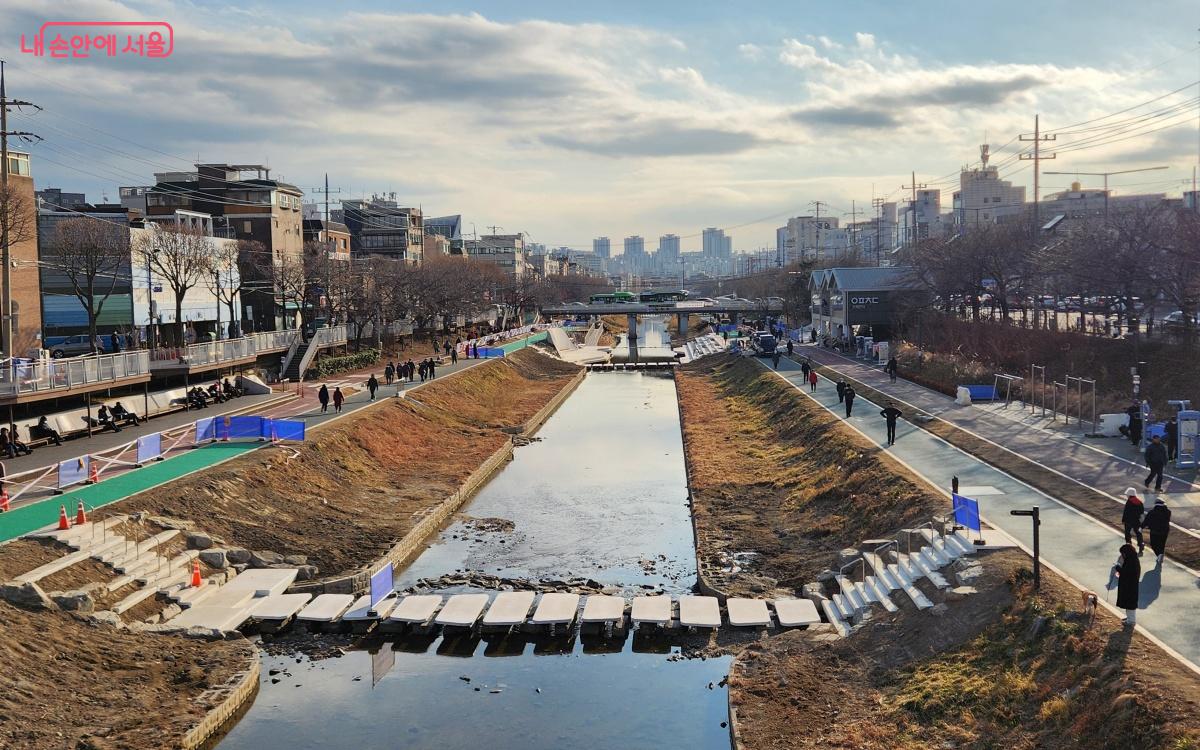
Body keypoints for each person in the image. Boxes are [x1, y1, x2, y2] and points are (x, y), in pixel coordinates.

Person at [1112, 543, 1141, 625]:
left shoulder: (1131, 561)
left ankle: (1131, 620)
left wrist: (1118, 568)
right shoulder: (1132, 559)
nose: (1122, 555)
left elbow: (1127, 573)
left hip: (1130, 586)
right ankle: (1129, 618)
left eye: (1123, 553)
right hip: (1129, 585)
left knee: (1130, 604)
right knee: (1128, 603)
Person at [1142, 497, 1172, 565]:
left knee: (1153, 545)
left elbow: (1146, 521)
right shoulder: (1168, 512)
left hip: (1155, 531)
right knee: (1162, 545)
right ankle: (1160, 555)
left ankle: (1159, 555)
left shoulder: (1152, 512)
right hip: (1165, 531)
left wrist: (1141, 527)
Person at [1121, 487, 1145, 554]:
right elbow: (1142, 512)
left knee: (1127, 533)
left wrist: (1123, 520)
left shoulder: (1129, 502)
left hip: (1128, 521)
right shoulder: (1140, 502)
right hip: (1137, 521)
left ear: (1129, 495)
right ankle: (1141, 544)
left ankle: (1129, 545)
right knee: (1138, 533)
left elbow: (1126, 512)